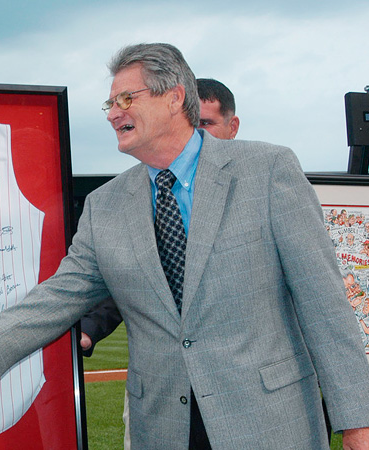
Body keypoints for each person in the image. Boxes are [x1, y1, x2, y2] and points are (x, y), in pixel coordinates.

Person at [0, 43, 369, 449]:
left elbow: (324, 303)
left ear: (174, 97)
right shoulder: (105, 206)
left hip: (268, 422)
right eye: (108, 104)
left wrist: (361, 420)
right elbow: (57, 297)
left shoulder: (266, 171)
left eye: (126, 98)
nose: (113, 113)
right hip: (162, 427)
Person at [77, 77, 242, 449]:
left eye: (207, 124)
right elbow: (124, 281)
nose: (197, 133)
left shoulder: (262, 182)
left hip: (246, 400)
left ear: (232, 127)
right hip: (163, 396)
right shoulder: (137, 197)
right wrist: (86, 328)